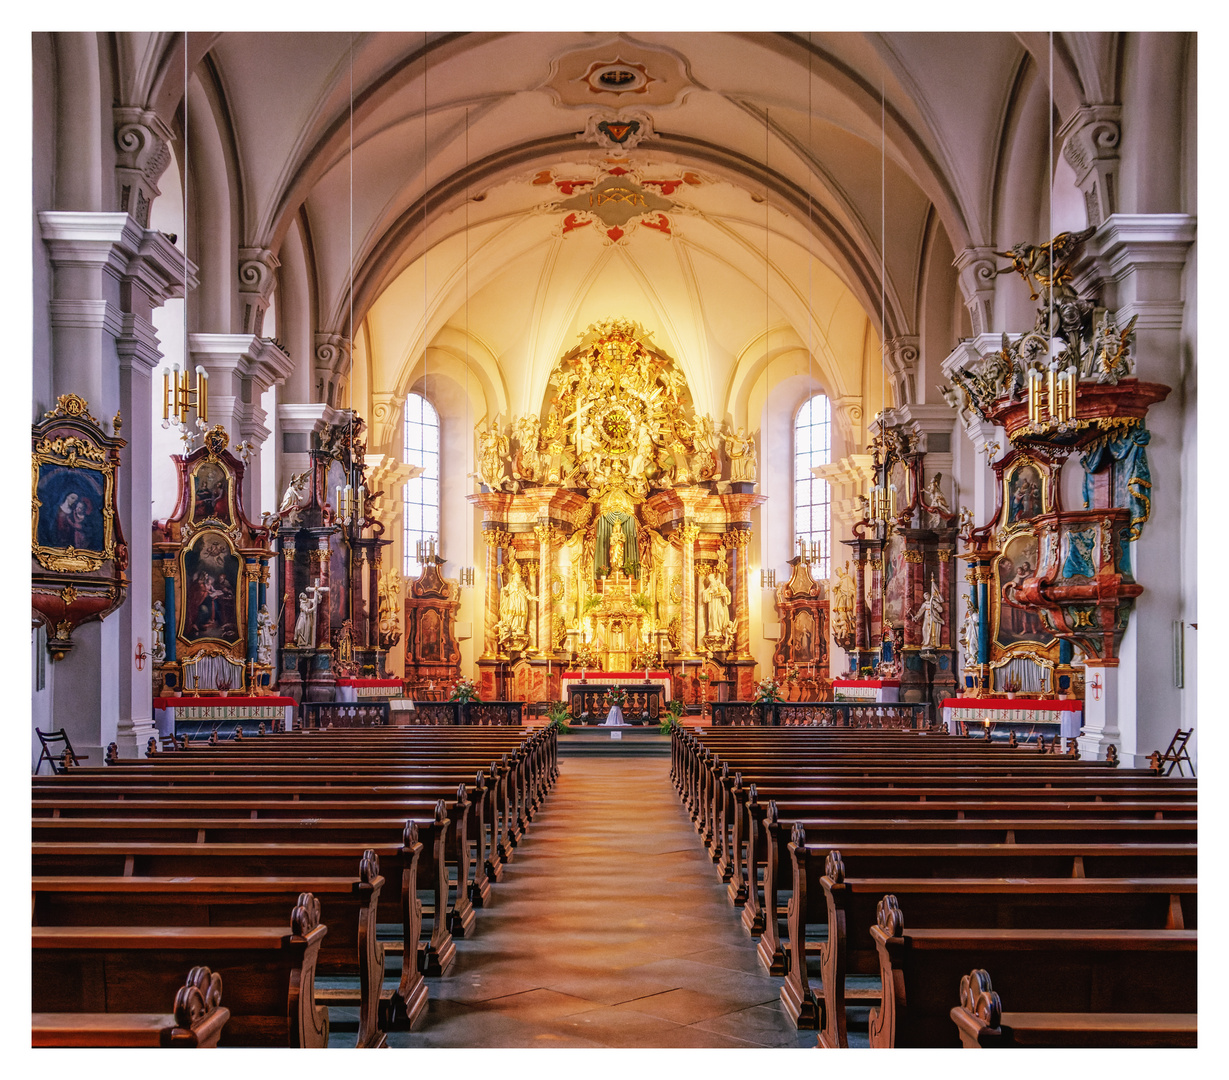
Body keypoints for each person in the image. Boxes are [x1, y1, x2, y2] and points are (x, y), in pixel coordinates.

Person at [911, 574, 945, 649]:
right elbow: (920, 611)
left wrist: (935, 606)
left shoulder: (933, 602)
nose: (926, 597)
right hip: (926, 617)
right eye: (925, 596)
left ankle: (933, 643)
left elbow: (941, 609)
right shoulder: (924, 604)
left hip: (933, 617)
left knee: (932, 629)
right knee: (925, 629)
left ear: (929, 596)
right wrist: (916, 617)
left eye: (927, 595)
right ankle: (926, 642)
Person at [702, 572, 731, 641]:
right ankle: (713, 629)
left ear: (714, 579)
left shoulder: (720, 585)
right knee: (713, 616)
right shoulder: (710, 587)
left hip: (719, 603)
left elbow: (728, 593)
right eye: (709, 580)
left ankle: (720, 629)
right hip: (712, 603)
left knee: (721, 614)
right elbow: (705, 595)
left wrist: (724, 595)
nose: (710, 581)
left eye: (711, 579)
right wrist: (709, 592)